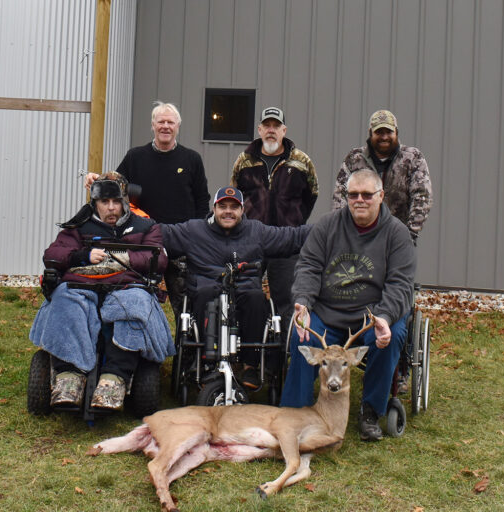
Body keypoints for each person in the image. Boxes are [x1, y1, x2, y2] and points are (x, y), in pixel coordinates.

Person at [281, 169, 416, 441]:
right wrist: (303, 304)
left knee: (389, 338)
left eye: (367, 195)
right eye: (353, 195)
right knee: (302, 336)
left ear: (381, 197)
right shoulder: (327, 226)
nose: (360, 200)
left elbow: (401, 284)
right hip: (328, 313)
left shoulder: (397, 234)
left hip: (372, 315)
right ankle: (294, 413)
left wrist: (385, 318)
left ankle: (370, 410)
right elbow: (308, 267)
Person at [30, 173, 172, 410]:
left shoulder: (146, 226)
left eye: (116, 202)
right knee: (65, 298)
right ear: (95, 203)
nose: (111, 208)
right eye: (105, 202)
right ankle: (69, 374)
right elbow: (53, 254)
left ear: (125, 202)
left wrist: (124, 257)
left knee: (134, 304)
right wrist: (83, 256)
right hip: (82, 284)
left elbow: (158, 259)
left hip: (127, 285)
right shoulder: (79, 226)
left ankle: (115, 377)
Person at [162, 186, 310, 390]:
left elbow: (293, 237)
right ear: (214, 208)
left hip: (245, 292)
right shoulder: (193, 230)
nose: (228, 211)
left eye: (234, 207)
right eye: (223, 206)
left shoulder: (257, 231)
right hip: (207, 292)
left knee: (258, 298)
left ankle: (250, 366)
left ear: (242, 211)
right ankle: (206, 364)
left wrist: (331, 229)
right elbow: (159, 233)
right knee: (206, 294)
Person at [85, 101, 210, 318]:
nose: (165, 126)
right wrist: (95, 180)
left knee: (187, 309)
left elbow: (202, 201)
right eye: (160, 121)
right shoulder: (135, 157)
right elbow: (114, 187)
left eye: (170, 122)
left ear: (178, 126)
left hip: (181, 242)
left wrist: (199, 235)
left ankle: (188, 350)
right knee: (135, 299)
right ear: (152, 125)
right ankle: (138, 347)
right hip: (142, 242)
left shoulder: (191, 159)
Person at [230, 106, 318, 338]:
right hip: (251, 240)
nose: (271, 130)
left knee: (287, 300)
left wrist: (294, 221)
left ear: (284, 130)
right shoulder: (244, 161)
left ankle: (283, 354)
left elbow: (311, 196)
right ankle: (245, 349)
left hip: (287, 242)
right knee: (244, 295)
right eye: (267, 126)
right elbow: (235, 196)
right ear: (259, 129)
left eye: (276, 126)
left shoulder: (301, 161)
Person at [331, 109, 432, 243]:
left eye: (388, 132)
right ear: (370, 133)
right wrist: (343, 233)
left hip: (396, 238)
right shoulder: (354, 158)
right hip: (358, 237)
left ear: (396, 132)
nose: (384, 137)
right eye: (379, 132)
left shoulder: (412, 158)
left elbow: (422, 196)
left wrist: (410, 235)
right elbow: (340, 196)